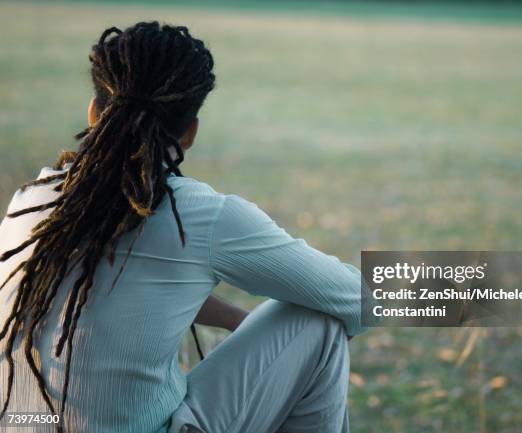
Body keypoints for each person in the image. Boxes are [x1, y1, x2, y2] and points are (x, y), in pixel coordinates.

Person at [0, 22, 368, 433]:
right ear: (190, 133)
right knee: (321, 322)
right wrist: (454, 292)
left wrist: (239, 321)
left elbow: (122, 277)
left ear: (92, 111)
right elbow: (355, 298)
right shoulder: (197, 215)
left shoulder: (28, 200)